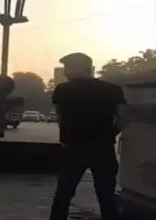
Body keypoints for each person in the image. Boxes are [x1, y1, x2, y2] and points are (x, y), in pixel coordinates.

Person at [50, 53, 126, 220]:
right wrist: (109, 134)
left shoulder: (63, 90)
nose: (65, 72)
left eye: (68, 68)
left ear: (78, 68)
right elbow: (123, 118)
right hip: (103, 148)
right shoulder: (112, 89)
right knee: (106, 195)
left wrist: (67, 136)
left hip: (73, 147)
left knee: (63, 194)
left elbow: (60, 118)